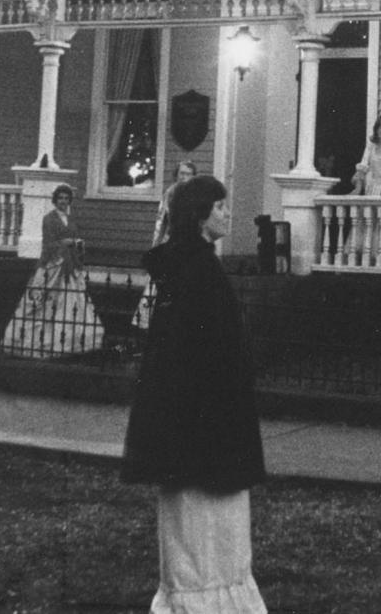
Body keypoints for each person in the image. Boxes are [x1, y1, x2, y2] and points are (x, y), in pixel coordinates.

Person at [122, 175, 267, 613]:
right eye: (220, 207)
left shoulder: (191, 266)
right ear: (200, 217)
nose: (227, 214)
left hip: (197, 424)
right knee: (202, 527)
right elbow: (198, 356)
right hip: (204, 428)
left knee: (207, 527)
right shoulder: (197, 271)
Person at [2, 183, 105, 358]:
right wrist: (64, 243)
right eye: (60, 198)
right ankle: (41, 342)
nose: (63, 201)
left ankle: (71, 343)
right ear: (55, 200)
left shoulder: (71, 220)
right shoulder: (49, 219)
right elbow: (48, 244)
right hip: (55, 264)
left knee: (72, 303)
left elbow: (74, 239)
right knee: (45, 303)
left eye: (66, 198)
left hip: (70, 264)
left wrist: (76, 243)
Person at [133, 160, 199, 331]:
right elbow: (161, 222)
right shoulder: (170, 194)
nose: (184, 177)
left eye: (188, 174)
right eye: (181, 173)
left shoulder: (196, 196)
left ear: (193, 177)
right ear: (176, 175)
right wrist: (157, 247)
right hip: (171, 240)